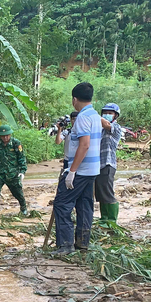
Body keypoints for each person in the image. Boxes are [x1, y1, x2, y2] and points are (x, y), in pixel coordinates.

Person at [53, 82, 102, 255]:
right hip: (93, 170)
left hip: (81, 170)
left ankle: (66, 245)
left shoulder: (82, 117)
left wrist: (71, 171)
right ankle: (82, 243)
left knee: (62, 203)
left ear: (75, 99)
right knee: (84, 205)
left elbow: (85, 145)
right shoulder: (96, 115)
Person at [0, 124, 28, 214]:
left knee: (17, 192)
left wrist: (22, 171)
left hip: (13, 172)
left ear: (10, 135)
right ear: (0, 136)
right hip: (0, 171)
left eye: (7, 135)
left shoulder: (16, 143)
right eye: (3, 136)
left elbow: (21, 158)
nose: (5, 137)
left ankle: (23, 208)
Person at [96, 103, 122, 224]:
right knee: (101, 193)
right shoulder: (100, 129)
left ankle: (111, 220)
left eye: (110, 113)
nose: (107, 115)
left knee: (107, 192)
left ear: (115, 116)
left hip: (108, 163)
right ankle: (104, 218)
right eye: (105, 113)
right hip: (98, 164)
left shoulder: (116, 128)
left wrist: (92, 114)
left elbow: (107, 125)